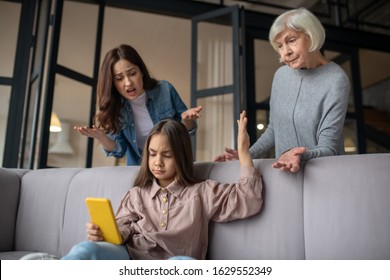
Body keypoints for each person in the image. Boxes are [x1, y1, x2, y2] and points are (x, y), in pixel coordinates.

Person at [22, 112, 263, 260]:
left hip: (175, 264)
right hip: (129, 258)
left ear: (181, 156)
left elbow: (248, 200)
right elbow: (122, 231)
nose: (157, 162)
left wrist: (243, 152)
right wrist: (105, 234)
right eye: (152, 154)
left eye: (167, 155)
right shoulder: (137, 194)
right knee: (85, 250)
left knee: (186, 266)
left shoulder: (202, 192)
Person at [214, 7, 350, 173]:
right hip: (286, 174)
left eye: (291, 40)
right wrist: (245, 154)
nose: (286, 52)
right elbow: (274, 129)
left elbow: (329, 147)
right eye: (280, 46)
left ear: (311, 36)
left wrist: (299, 155)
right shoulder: (281, 76)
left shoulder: (336, 79)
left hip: (324, 174)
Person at [74, 44, 202, 165]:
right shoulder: (115, 107)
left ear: (141, 71)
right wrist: (102, 137)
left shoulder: (165, 89)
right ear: (112, 83)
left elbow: (187, 133)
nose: (128, 83)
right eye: (119, 78)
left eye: (132, 73)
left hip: (174, 165)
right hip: (140, 171)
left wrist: (186, 120)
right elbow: (119, 150)